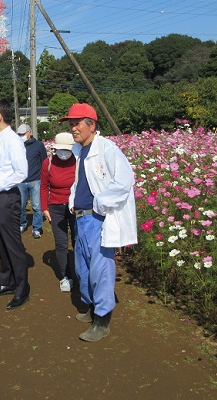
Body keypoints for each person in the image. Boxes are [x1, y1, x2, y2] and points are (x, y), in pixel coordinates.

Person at [60, 103, 137, 342]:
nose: (73, 128)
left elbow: (125, 181)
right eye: (71, 123)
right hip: (81, 218)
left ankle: (102, 320)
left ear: (91, 125)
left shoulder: (107, 149)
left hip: (97, 219)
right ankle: (91, 307)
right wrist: (74, 200)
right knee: (82, 268)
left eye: (77, 123)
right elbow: (79, 181)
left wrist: (99, 204)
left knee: (100, 269)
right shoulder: (80, 150)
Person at [0, 99, 30, 310]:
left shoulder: (12, 140)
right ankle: (6, 282)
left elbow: (21, 172)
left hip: (6, 196)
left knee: (13, 244)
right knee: (0, 243)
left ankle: (22, 288)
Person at [40, 132, 77, 292]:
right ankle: (65, 276)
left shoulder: (78, 162)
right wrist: (44, 208)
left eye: (66, 150)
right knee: (61, 243)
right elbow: (43, 187)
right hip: (56, 207)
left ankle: (80, 273)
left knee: (78, 241)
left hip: (76, 207)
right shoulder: (48, 163)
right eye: (60, 149)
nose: (63, 153)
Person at [16, 123, 47, 239]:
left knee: (37, 206)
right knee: (21, 205)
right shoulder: (17, 145)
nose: (21, 136)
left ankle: (37, 228)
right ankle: (22, 224)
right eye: (19, 134)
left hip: (35, 180)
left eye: (23, 134)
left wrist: (44, 178)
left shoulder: (39, 145)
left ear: (30, 132)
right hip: (21, 181)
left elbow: (44, 161)